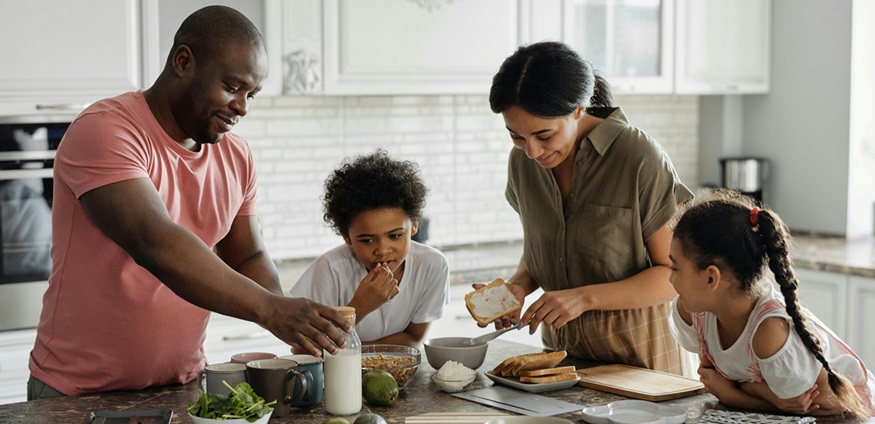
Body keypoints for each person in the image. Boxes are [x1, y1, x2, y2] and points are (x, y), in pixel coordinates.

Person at [28, 5, 351, 400]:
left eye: (251, 94)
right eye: (232, 87)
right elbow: (155, 241)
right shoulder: (105, 130)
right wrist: (271, 309)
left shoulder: (236, 155)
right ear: (183, 61)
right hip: (78, 393)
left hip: (182, 387)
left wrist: (288, 318)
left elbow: (247, 254)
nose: (242, 107)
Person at [485, 41, 693, 373]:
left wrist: (583, 298)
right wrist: (518, 286)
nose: (533, 152)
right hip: (562, 366)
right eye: (517, 137)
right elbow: (546, 249)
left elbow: (674, 276)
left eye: (545, 135)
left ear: (579, 109)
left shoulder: (637, 156)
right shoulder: (522, 164)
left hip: (642, 366)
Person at [668, 190, 874, 419]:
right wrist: (760, 393)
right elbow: (712, 378)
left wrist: (736, 394)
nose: (670, 279)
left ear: (710, 278)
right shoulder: (696, 311)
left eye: (675, 268)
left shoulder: (770, 332)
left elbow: (822, 405)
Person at [290, 149, 450, 347]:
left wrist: (355, 352)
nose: (382, 250)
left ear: (415, 224)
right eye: (367, 240)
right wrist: (360, 306)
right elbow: (303, 348)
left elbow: (413, 338)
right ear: (346, 236)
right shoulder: (330, 269)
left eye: (395, 236)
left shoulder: (432, 265)